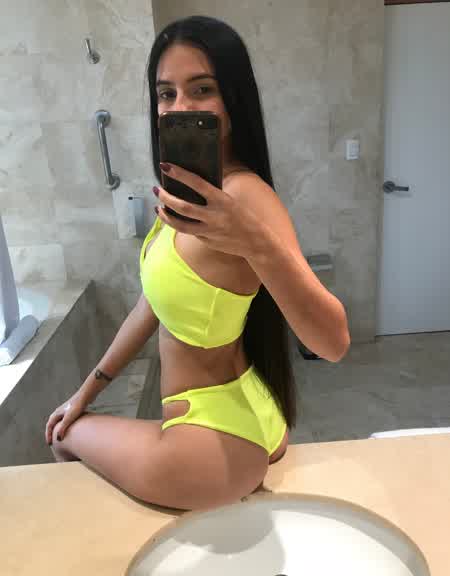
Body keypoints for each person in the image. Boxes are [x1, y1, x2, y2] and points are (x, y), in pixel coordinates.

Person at [45, 16, 350, 511]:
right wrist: (87, 390)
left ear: (233, 98)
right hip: (243, 410)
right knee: (71, 425)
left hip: (212, 442)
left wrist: (257, 243)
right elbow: (154, 302)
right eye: (166, 94)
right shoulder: (191, 193)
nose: (180, 107)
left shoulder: (245, 196)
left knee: (64, 439)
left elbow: (333, 343)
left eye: (202, 89)